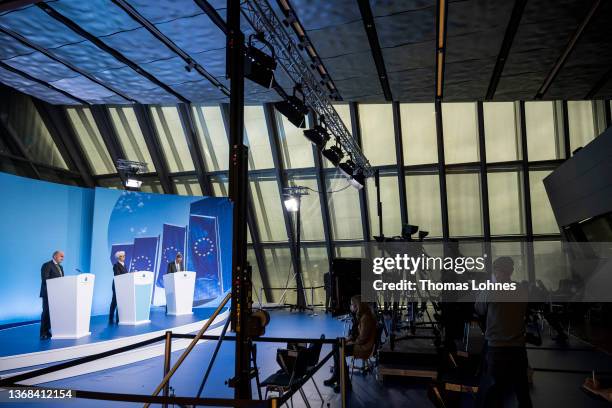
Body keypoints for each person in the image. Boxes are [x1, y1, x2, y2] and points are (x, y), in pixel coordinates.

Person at [475, 256, 532, 408]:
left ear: (496, 271)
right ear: (511, 271)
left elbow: (479, 309)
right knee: (522, 388)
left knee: (495, 388)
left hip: (497, 347)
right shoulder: (521, 289)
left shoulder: (490, 289)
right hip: (518, 347)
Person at [324, 295, 377, 393]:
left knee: (339, 349)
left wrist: (351, 342)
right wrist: (349, 340)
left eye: (352, 305)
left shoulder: (365, 318)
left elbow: (362, 339)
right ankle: (337, 376)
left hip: (363, 348)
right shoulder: (363, 316)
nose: (351, 306)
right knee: (337, 343)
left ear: (357, 306)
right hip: (361, 345)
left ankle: (344, 382)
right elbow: (358, 335)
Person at [40, 251, 65, 339]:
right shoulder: (47, 265)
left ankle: (48, 330)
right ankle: (43, 333)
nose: (62, 258)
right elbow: (45, 279)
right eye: (61, 256)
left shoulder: (60, 267)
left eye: (63, 256)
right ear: (54, 256)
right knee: (46, 313)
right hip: (48, 293)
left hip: (57, 294)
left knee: (53, 313)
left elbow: (62, 280)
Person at [109, 251, 128, 324]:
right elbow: (118, 275)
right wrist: (127, 275)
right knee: (114, 302)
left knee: (121, 302)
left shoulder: (124, 265)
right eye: (121, 256)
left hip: (123, 285)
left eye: (124, 255)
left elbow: (126, 275)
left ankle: (118, 318)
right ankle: (111, 318)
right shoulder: (116, 265)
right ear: (118, 257)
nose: (123, 257)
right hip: (117, 285)